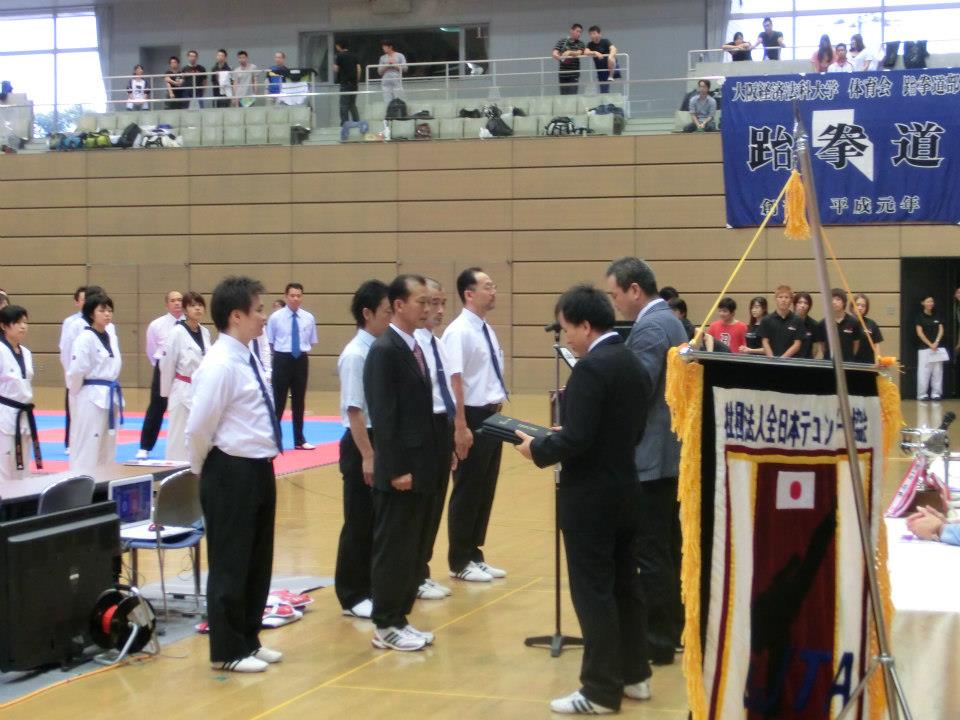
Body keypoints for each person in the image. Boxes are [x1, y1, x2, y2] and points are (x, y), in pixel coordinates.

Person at [514, 284, 652, 715]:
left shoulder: (591, 368)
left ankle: (599, 690)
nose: (566, 338)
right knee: (625, 586)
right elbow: (627, 431)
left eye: (568, 328)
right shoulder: (631, 362)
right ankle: (635, 675)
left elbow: (577, 439)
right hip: (626, 489)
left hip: (591, 499)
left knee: (594, 593)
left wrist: (537, 448)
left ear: (586, 325)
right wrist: (573, 437)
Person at [186, 276, 283, 673]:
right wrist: (204, 469)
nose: (264, 317)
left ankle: (248, 638)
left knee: (257, 560)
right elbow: (198, 427)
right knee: (231, 562)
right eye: (258, 310)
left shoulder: (248, 355)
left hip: (259, 466)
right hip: (230, 469)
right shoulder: (219, 364)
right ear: (236, 316)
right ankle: (227, 650)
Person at [604, 257, 687, 667]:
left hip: (653, 456)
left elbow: (637, 389)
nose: (615, 303)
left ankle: (657, 638)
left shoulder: (651, 327)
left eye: (615, 294)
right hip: (669, 452)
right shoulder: (671, 320)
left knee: (651, 550)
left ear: (635, 290)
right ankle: (674, 628)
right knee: (668, 548)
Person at [363, 274, 439, 652]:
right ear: (398, 305)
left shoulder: (413, 346)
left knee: (410, 549)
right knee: (393, 549)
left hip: (420, 466)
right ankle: (385, 623)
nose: (427, 309)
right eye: (420, 302)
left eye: (429, 302)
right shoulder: (385, 350)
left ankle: (400, 618)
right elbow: (384, 417)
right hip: (399, 472)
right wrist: (396, 469)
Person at [442, 267, 509, 583]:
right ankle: (459, 559)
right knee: (468, 488)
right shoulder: (459, 331)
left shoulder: (485, 329)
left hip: (492, 415)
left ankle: (474, 554)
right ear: (469, 294)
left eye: (493, 285)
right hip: (470, 415)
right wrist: (459, 425)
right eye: (487, 286)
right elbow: (454, 380)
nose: (493, 291)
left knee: (484, 488)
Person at [334, 280, 391, 620]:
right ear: (367, 314)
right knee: (358, 521)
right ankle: (352, 594)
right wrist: (368, 455)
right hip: (360, 442)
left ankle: (371, 585)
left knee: (377, 520)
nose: (390, 317)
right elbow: (354, 410)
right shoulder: (356, 354)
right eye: (386, 311)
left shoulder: (380, 348)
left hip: (379, 438)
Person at [414, 278, 456, 602]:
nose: (439, 310)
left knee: (436, 502)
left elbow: (448, 392)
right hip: (423, 428)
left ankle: (422, 569)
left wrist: (453, 434)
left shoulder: (437, 344)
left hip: (442, 426)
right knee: (420, 506)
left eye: (442, 303)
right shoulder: (411, 346)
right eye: (431, 302)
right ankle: (413, 573)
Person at [68, 293, 122, 475]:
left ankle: (103, 484)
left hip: (110, 394)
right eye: (102, 310)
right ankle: (79, 483)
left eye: (110, 310)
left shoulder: (111, 336)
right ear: (91, 313)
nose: (107, 314)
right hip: (90, 396)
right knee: (88, 445)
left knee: (106, 446)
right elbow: (76, 370)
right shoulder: (84, 337)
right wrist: (76, 393)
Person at [159, 292, 211, 461]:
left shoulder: (205, 332)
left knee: (199, 435)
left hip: (200, 390)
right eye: (193, 305)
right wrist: (166, 393)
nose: (197, 308)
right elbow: (167, 363)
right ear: (185, 310)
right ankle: (174, 470)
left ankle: (196, 470)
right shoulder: (176, 332)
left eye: (200, 305)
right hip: (181, 388)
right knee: (179, 437)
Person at [267, 283, 317, 450]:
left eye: (298, 295)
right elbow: (270, 341)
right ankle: (274, 439)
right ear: (286, 296)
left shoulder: (309, 318)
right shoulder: (275, 317)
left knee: (299, 400)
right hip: (282, 358)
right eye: (292, 295)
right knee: (279, 400)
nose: (295, 298)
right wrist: (281, 356)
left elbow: (311, 341)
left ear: (302, 297)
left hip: (301, 358)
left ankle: (299, 439)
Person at [137, 291, 184, 460]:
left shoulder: (189, 323)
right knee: (156, 407)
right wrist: (160, 365)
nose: (177, 303)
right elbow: (151, 349)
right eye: (173, 300)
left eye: (180, 300)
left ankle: (185, 446)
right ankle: (145, 447)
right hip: (163, 366)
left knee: (184, 407)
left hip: (183, 369)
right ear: (167, 304)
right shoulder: (156, 325)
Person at [0, 305, 40, 482]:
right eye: (17, 322)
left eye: (25, 322)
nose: (23, 326)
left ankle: (21, 498)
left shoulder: (27, 353)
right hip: (4, 413)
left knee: (22, 466)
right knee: (4, 465)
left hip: (23, 414)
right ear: (4, 326)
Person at [59, 285, 87, 453]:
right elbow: (65, 349)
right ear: (77, 302)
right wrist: (70, 374)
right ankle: (70, 442)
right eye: (83, 299)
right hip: (74, 370)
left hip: (90, 376)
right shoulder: (71, 322)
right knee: (72, 409)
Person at [815, 288, 862, 361]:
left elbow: (856, 344)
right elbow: (823, 345)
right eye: (831, 299)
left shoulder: (853, 322)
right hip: (829, 363)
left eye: (838, 299)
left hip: (847, 363)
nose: (834, 302)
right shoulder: (823, 323)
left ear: (844, 302)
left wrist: (849, 358)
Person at [916, 295, 945, 401]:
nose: (930, 303)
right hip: (924, 349)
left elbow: (941, 330)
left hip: (937, 348)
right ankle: (922, 394)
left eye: (932, 301)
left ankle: (936, 394)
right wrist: (930, 344)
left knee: (937, 372)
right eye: (928, 301)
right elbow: (920, 333)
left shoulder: (937, 315)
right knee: (924, 373)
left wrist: (936, 342)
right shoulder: (919, 317)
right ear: (923, 303)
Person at [760, 285, 801, 358]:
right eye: (780, 297)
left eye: (786, 297)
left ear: (791, 300)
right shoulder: (766, 320)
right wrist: (772, 358)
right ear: (776, 299)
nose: (783, 300)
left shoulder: (797, 320)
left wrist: (782, 359)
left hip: (791, 361)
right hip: (771, 360)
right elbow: (765, 341)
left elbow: (797, 344)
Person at [552, 24, 586, 96]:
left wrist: (569, 52)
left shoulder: (581, 43)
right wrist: (559, 57)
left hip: (574, 75)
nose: (579, 34)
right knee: (563, 97)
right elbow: (554, 52)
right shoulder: (562, 41)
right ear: (571, 31)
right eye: (577, 31)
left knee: (572, 97)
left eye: (580, 32)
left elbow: (579, 52)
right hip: (563, 74)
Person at [851, 293, 883, 364]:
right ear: (852, 306)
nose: (860, 308)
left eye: (863, 306)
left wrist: (878, 362)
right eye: (857, 304)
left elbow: (876, 345)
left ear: (866, 308)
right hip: (849, 364)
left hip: (868, 364)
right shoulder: (847, 322)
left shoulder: (871, 324)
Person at [334, 41, 361, 124]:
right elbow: (359, 69)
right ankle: (357, 122)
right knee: (352, 104)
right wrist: (356, 81)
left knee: (344, 104)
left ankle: (345, 123)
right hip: (354, 84)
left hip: (345, 83)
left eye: (336, 46)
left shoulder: (339, 56)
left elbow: (336, 69)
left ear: (339, 46)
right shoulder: (354, 55)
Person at [586, 25, 618, 94]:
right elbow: (586, 52)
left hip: (610, 67)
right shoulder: (590, 44)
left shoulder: (605, 41)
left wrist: (610, 56)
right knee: (603, 89)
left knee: (611, 58)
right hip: (601, 70)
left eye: (594, 33)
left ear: (599, 34)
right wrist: (595, 52)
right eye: (590, 34)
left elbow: (614, 49)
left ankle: (611, 76)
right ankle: (605, 101)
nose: (592, 36)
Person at [792, 292, 817, 359]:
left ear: (809, 306)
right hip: (789, 361)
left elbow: (815, 350)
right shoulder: (787, 321)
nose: (802, 305)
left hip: (806, 361)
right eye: (799, 302)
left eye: (806, 303)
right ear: (794, 304)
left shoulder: (813, 324)